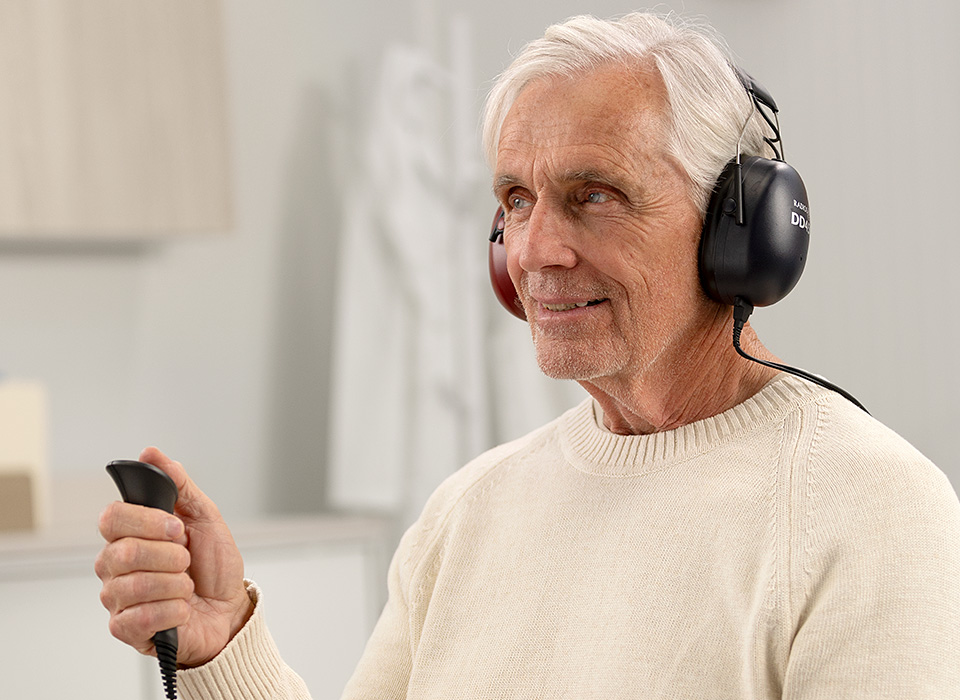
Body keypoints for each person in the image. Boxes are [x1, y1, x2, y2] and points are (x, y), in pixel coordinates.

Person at [96, 11, 960, 699]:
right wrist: (221, 648)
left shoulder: (870, 510)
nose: (534, 250)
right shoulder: (467, 512)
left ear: (738, 229)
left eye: (595, 195)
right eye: (515, 199)